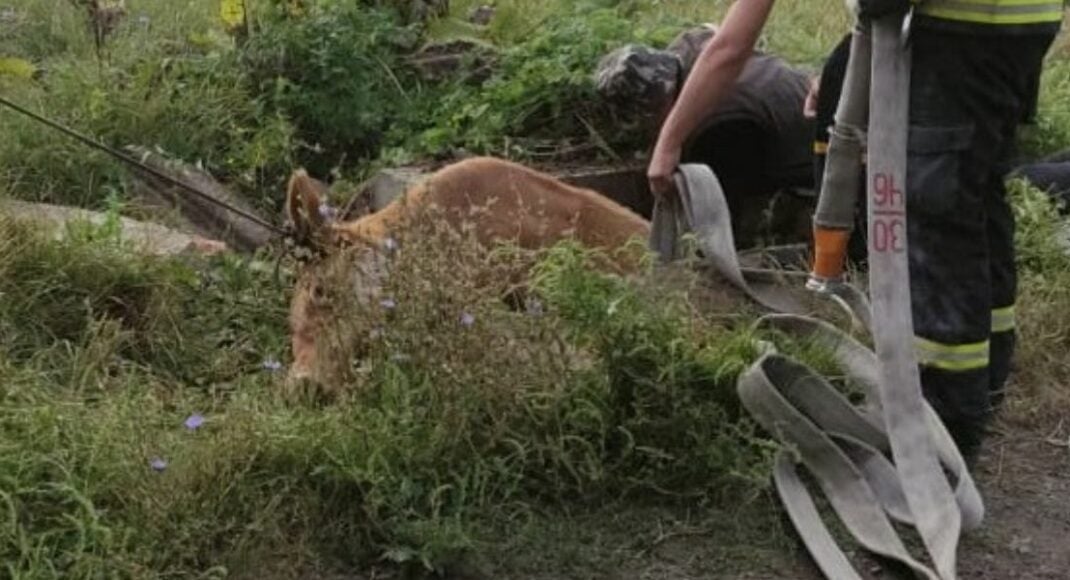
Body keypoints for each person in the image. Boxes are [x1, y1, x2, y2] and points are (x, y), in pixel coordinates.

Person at [648, 0, 1061, 467]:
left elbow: (730, 46)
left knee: (940, 220)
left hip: (960, 34)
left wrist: (668, 143)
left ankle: (947, 421)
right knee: (980, 198)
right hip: (1019, 24)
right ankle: (987, 378)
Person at [595, 24, 817, 247]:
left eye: (649, 120)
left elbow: (721, 216)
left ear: (662, 104)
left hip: (814, 157)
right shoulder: (694, 45)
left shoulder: (718, 125)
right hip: (801, 91)